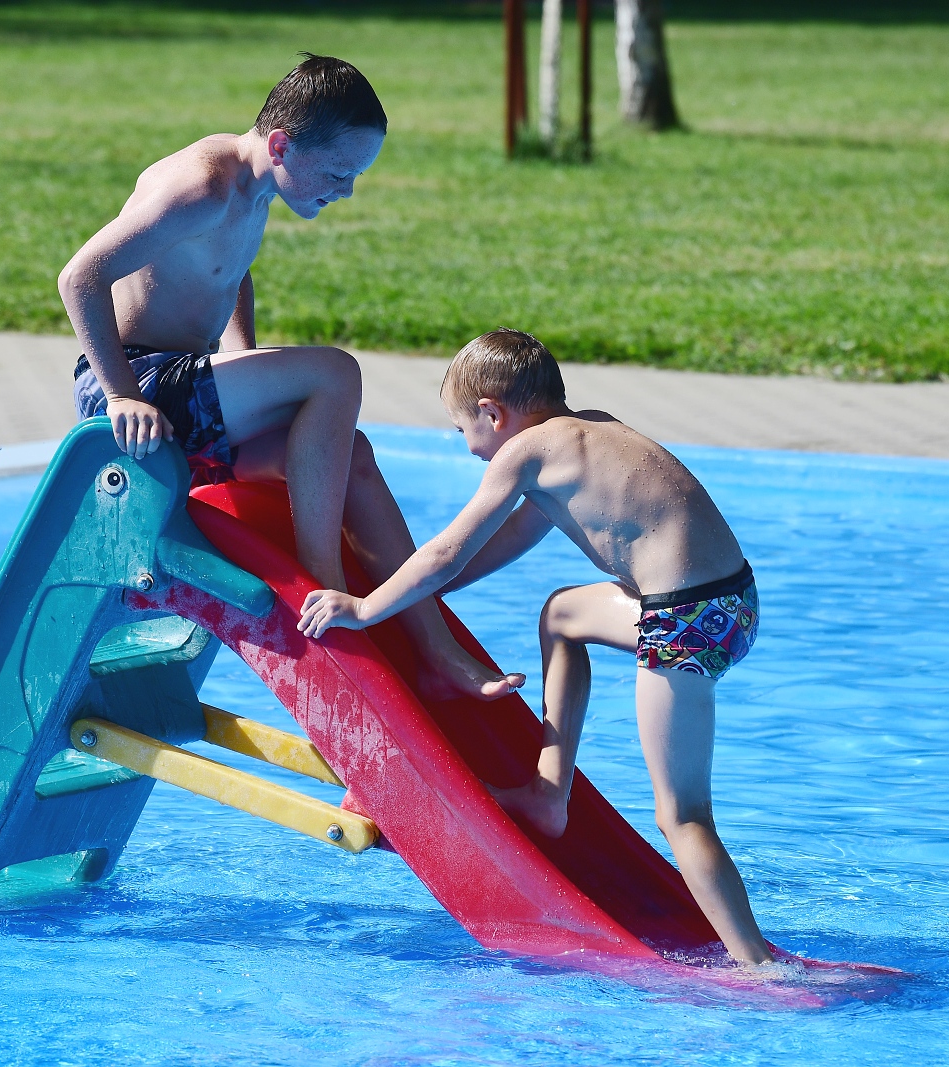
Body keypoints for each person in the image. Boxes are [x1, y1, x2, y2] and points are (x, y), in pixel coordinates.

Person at [296, 328, 773, 965]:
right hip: (731, 603)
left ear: (493, 413)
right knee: (563, 615)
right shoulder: (590, 429)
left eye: (463, 428)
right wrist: (411, 594)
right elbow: (509, 537)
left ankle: (758, 967)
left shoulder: (523, 452)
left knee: (682, 815)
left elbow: (443, 552)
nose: (466, 445)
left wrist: (364, 607)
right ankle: (549, 794)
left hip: (683, 621)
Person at [58, 54, 520, 702]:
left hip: (185, 385)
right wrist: (119, 396)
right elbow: (80, 277)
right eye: (338, 172)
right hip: (140, 384)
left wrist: (240, 355)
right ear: (280, 144)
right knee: (337, 373)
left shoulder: (255, 185)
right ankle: (321, 581)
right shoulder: (199, 186)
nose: (346, 190)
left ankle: (435, 649)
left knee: (351, 456)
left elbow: (232, 270)